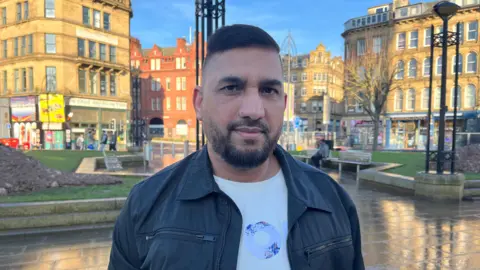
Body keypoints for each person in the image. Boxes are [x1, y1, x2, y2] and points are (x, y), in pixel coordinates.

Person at [108, 24, 364, 270]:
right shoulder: (146, 205)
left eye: (268, 90)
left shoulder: (333, 200)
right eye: (231, 88)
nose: (253, 110)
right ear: (199, 102)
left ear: (284, 103)